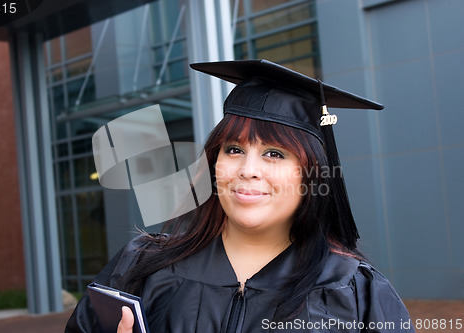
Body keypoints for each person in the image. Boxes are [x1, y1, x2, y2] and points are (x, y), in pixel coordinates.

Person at [65, 60, 415, 333]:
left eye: (274, 153)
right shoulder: (142, 268)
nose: (247, 169)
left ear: (311, 173)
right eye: (233, 149)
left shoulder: (352, 292)